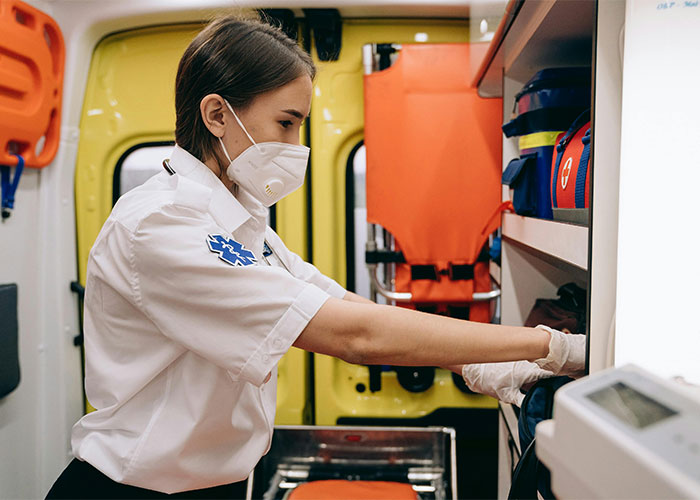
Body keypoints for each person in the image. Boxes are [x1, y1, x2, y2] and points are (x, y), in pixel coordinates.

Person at [46, 15, 585, 499]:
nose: (297, 143)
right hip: (132, 488)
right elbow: (353, 336)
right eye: (286, 123)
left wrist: (474, 361)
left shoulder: (241, 218)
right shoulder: (161, 224)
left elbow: (339, 301)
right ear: (216, 114)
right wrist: (551, 347)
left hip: (211, 485)